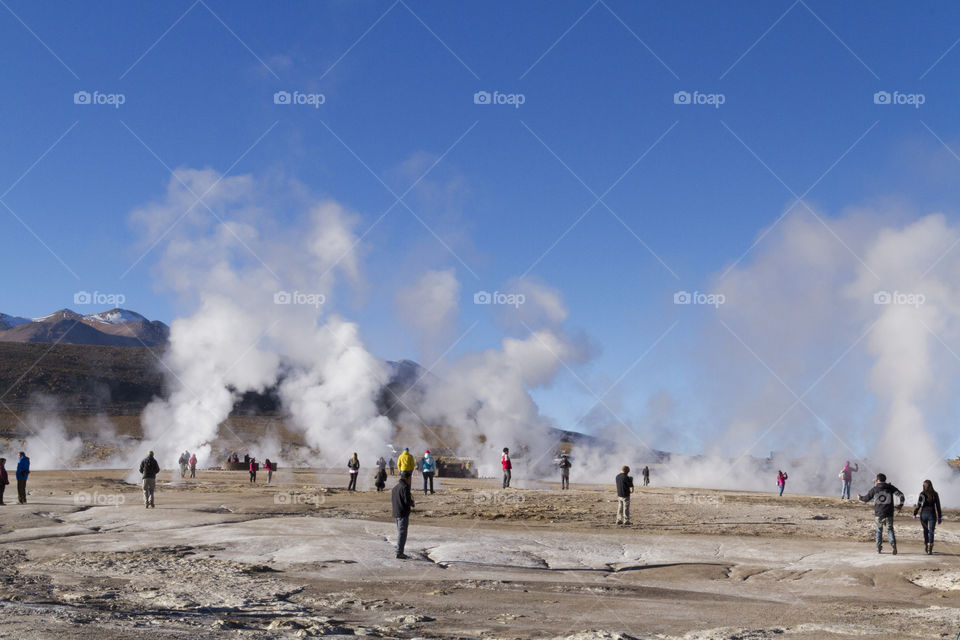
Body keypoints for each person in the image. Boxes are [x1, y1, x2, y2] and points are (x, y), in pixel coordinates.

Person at [858, 473, 905, 554]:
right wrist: (900, 505)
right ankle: (893, 545)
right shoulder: (890, 487)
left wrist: (860, 497)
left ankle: (878, 548)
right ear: (884, 480)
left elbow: (866, 499)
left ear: (878, 480)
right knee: (890, 530)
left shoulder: (875, 489)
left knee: (879, 531)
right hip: (889, 513)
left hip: (878, 514)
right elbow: (901, 495)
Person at [913, 479, 942, 555]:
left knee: (925, 531)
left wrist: (915, 513)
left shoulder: (922, 493)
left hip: (923, 515)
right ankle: (930, 548)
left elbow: (918, 505)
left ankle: (926, 546)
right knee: (931, 531)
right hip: (932, 514)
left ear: (924, 486)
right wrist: (939, 517)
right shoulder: (935, 494)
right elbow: (938, 506)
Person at [392, 470, 415, 559]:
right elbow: (407, 501)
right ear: (407, 478)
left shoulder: (395, 487)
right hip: (403, 513)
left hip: (396, 512)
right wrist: (412, 503)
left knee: (400, 532)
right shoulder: (405, 487)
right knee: (402, 533)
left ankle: (399, 551)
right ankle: (399, 552)